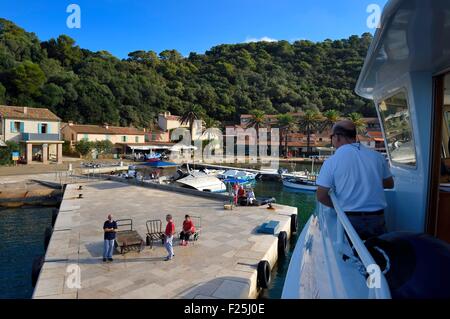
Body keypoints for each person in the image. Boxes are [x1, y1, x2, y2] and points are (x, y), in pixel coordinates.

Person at [316, 120, 395, 240]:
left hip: (349, 219)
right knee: (377, 255)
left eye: (331, 136)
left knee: (351, 255)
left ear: (337, 137)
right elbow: (390, 184)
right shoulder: (377, 157)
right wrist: (369, 181)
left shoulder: (332, 161)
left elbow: (321, 196)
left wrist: (338, 207)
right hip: (377, 218)